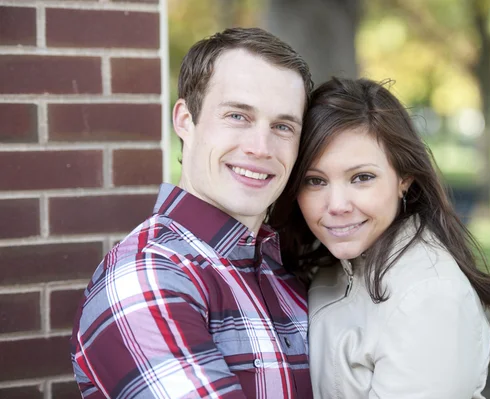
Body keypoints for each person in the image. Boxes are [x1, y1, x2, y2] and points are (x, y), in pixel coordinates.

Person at [70, 27, 314, 398]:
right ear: (185, 120)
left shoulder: (288, 271)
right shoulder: (146, 274)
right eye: (238, 116)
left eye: (282, 126)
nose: (261, 148)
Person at [271, 77, 490, 398]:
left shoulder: (428, 297)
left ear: (404, 179)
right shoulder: (335, 265)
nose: (337, 206)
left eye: (361, 178)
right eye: (315, 181)